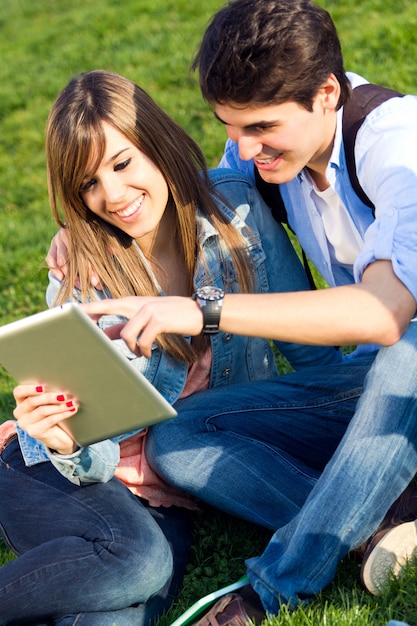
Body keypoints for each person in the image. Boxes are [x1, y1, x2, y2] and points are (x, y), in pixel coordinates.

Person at [75, 0, 417, 623]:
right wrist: (88, 225)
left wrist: (203, 310)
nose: (243, 148)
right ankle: (382, 526)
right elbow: (202, 189)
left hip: (405, 371)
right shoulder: (270, 155)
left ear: (326, 94)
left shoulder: (399, 148)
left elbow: (384, 314)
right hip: (365, 392)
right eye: (230, 127)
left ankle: (275, 587)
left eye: (260, 127)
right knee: (179, 437)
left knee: (408, 354)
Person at [0, 69, 340, 626]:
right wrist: (65, 442)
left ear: (156, 145)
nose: (111, 196)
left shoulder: (238, 216)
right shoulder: (82, 278)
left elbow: (314, 357)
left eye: (121, 163)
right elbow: (94, 455)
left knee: (126, 599)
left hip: (167, 490)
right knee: (138, 564)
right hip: (67, 469)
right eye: (88, 183)